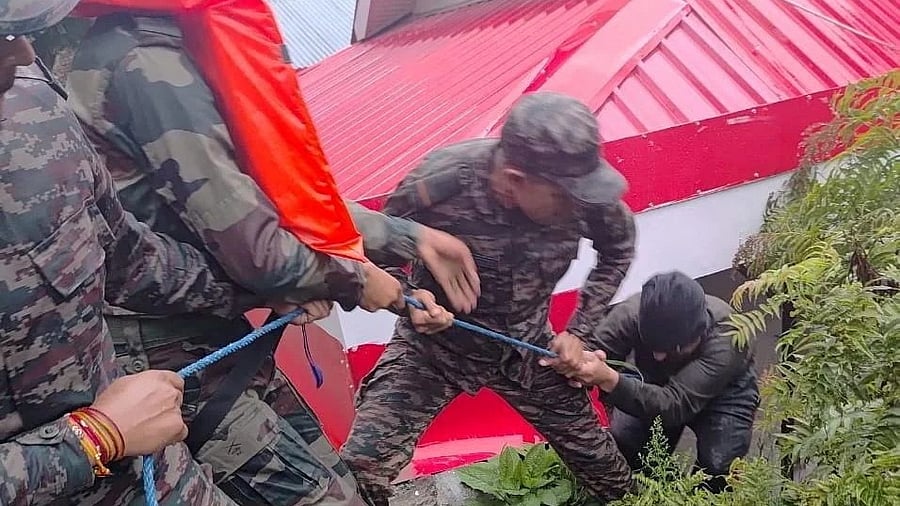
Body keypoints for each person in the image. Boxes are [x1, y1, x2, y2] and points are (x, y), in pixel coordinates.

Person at [67, 13, 471, 506]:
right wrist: (360, 282)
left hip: (213, 333)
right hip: (165, 353)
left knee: (343, 486)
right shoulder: (145, 63)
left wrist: (407, 240)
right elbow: (256, 250)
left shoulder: (183, 45)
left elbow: (274, 197)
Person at [0, 1, 303, 502]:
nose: (27, 51)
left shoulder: (32, 105)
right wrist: (93, 439)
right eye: (7, 39)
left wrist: (263, 286)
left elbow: (129, 258)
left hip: (156, 471)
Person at [342, 91, 637, 505]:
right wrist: (408, 299)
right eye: (562, 196)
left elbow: (618, 248)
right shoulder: (442, 179)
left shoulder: (579, 192)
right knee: (358, 471)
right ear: (517, 180)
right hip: (433, 349)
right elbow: (373, 246)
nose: (577, 205)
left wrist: (580, 332)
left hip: (529, 349)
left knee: (612, 478)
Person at [542, 271, 760, 492]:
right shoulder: (631, 313)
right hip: (656, 385)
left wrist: (609, 379)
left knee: (719, 468)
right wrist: (575, 360)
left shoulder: (728, 336)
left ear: (700, 332)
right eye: (654, 347)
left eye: (672, 349)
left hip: (725, 396)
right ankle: (658, 493)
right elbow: (592, 346)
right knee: (629, 446)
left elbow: (674, 405)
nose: (659, 357)